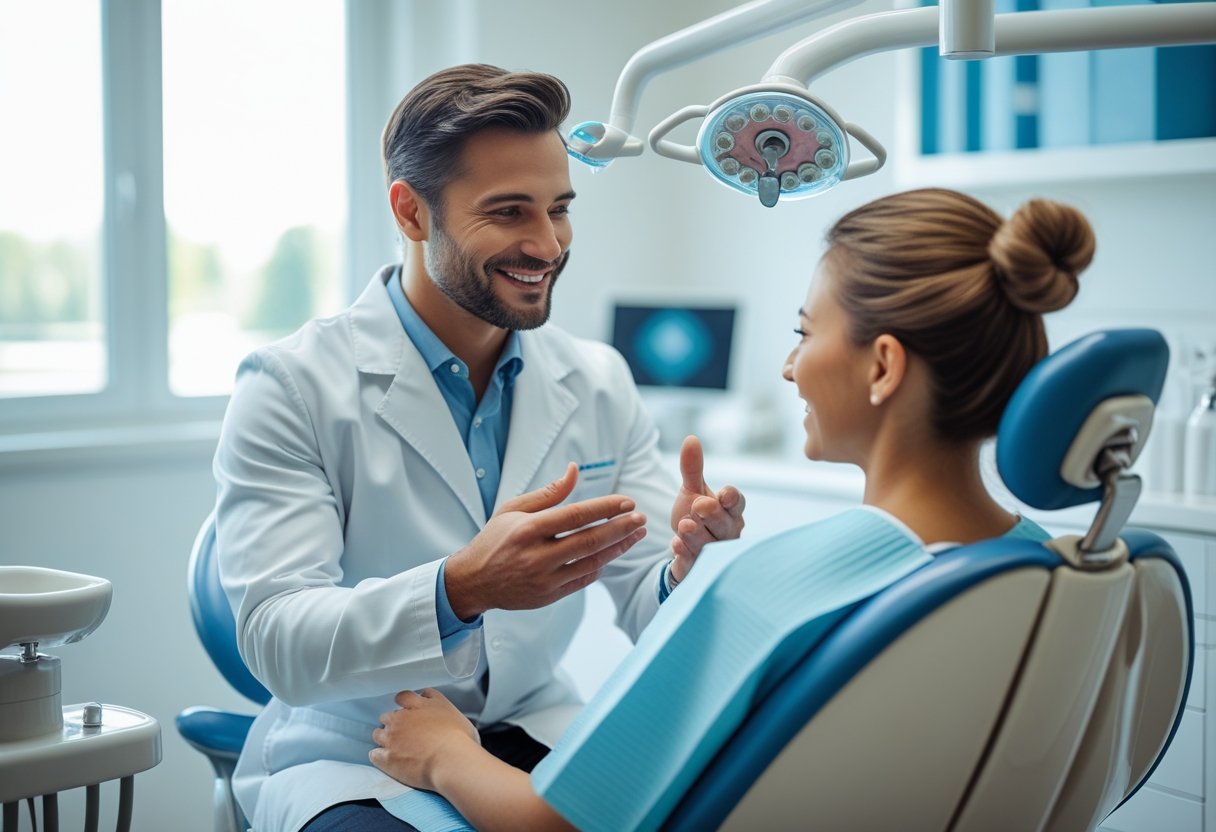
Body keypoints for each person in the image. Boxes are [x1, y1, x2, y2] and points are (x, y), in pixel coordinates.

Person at [366, 187, 1096, 831]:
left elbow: (558, 820)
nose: (788, 365)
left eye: (805, 333)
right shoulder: (1048, 570)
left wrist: (444, 753)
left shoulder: (784, 586)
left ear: (882, 367)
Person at [212, 64, 745, 832]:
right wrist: (459, 589)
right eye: (508, 212)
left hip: (539, 724)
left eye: (559, 209)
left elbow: (643, 596)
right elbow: (277, 642)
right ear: (412, 211)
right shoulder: (291, 386)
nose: (546, 243)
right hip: (355, 750)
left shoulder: (596, 380)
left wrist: (685, 572)